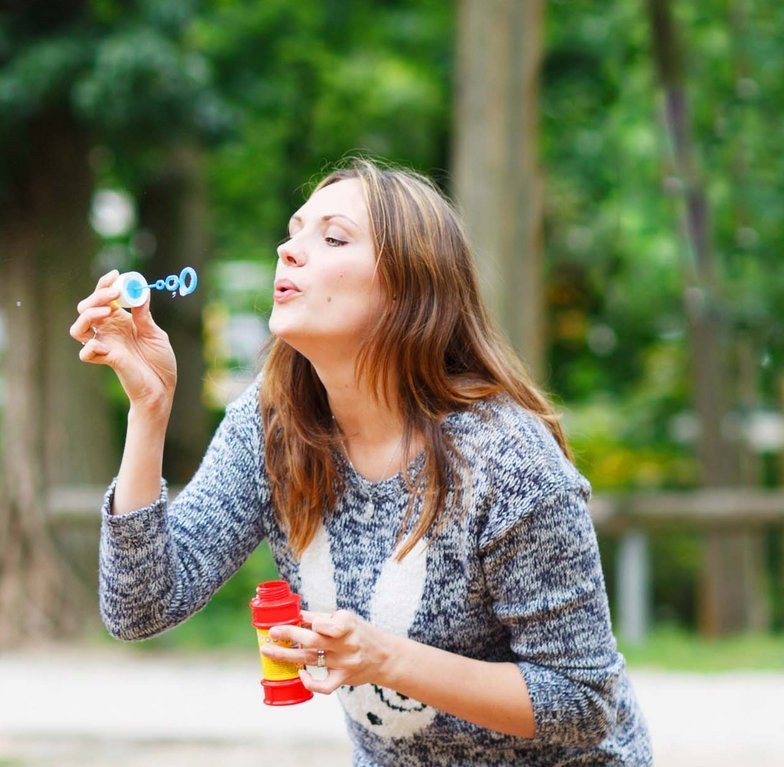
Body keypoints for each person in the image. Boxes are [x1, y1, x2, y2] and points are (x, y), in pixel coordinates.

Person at [70, 157, 650, 764]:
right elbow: (140, 607)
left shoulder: (507, 460)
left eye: (333, 237)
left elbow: (585, 702)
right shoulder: (271, 428)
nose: (288, 250)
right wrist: (150, 407)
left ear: (407, 287)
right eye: (294, 231)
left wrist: (384, 658)